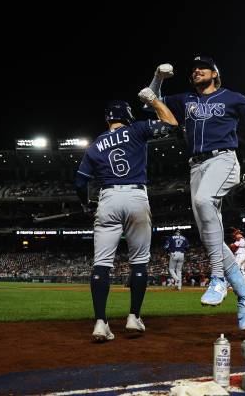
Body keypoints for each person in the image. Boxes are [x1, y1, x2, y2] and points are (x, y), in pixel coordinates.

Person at [144, 56, 245, 329]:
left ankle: (218, 278)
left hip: (223, 159)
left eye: (202, 67)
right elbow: (150, 100)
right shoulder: (185, 99)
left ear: (215, 73)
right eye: (193, 69)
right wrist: (157, 77)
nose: (196, 71)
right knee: (208, 237)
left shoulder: (233, 97)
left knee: (205, 201)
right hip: (196, 166)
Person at [75, 90, 178, 342]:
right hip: (135, 196)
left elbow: (80, 182)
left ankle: (101, 323)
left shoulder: (95, 144)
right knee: (139, 261)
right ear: (127, 115)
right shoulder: (137, 129)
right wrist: (154, 101)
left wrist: (86, 205)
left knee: (101, 263)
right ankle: (134, 318)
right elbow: (172, 124)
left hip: (107, 198)